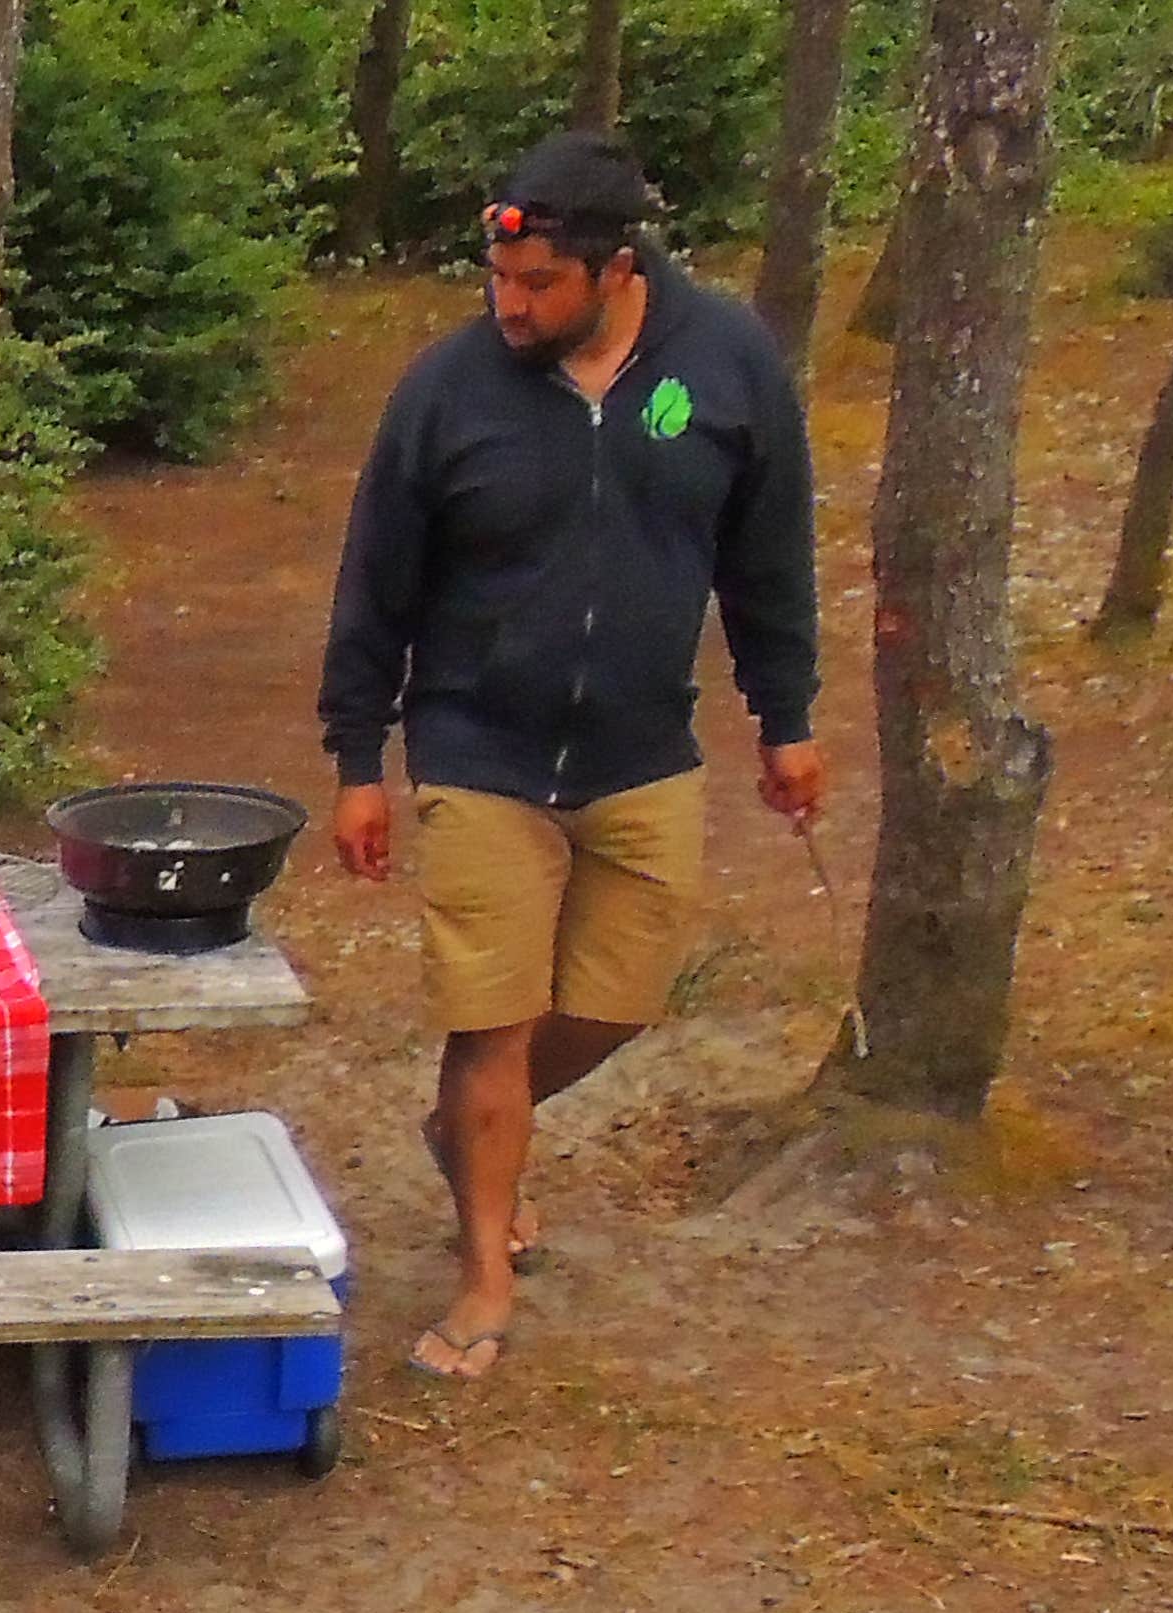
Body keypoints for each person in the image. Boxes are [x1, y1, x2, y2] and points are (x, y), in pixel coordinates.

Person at [316, 133, 824, 1382]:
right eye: (500, 281)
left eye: (539, 284)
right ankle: (485, 1272)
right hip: (478, 748)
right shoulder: (448, 391)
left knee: (611, 1004)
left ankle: (467, 1131)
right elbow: (375, 576)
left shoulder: (727, 366)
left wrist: (787, 716)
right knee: (489, 1019)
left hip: (644, 753)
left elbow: (771, 558)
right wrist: (356, 756)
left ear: (615, 266)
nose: (512, 306)